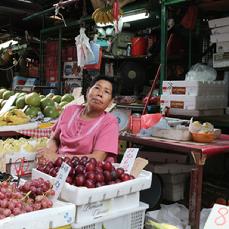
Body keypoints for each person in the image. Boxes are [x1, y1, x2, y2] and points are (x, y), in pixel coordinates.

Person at [37, 75, 119, 162]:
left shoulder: (110, 123)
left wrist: (56, 158)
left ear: (110, 102)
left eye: (106, 92)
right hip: (58, 168)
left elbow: (97, 158)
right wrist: (48, 153)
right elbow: (54, 139)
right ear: (87, 91)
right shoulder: (69, 110)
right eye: (97, 88)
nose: (100, 94)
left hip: (86, 171)